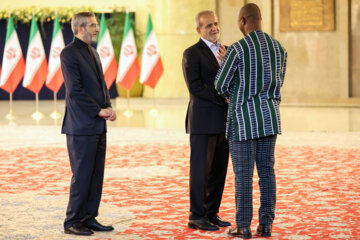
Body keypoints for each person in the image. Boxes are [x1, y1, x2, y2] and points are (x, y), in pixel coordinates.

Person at [215, 3, 287, 239]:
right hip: (269, 118)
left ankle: (243, 226)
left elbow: (220, 84)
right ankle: (266, 225)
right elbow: (279, 81)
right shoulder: (279, 48)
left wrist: (234, 88)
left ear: (243, 20)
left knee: (244, 174)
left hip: (243, 120)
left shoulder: (238, 49)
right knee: (267, 173)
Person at [60, 12, 117, 236]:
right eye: (92, 25)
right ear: (80, 28)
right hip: (80, 126)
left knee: (95, 174)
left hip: (98, 124)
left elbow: (101, 85)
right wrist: (97, 110)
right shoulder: (68, 53)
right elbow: (75, 90)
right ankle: (72, 221)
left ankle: (88, 217)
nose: (96, 29)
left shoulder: (92, 51)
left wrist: (108, 106)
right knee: (82, 174)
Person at [182, 10, 230, 231]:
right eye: (208, 25)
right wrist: (223, 95)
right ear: (199, 30)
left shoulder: (227, 51)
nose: (214, 28)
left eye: (216, 24)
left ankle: (212, 213)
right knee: (201, 170)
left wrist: (226, 63)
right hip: (203, 121)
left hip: (224, 121)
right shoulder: (192, 53)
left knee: (219, 171)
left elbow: (235, 80)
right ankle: (196, 216)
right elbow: (195, 86)